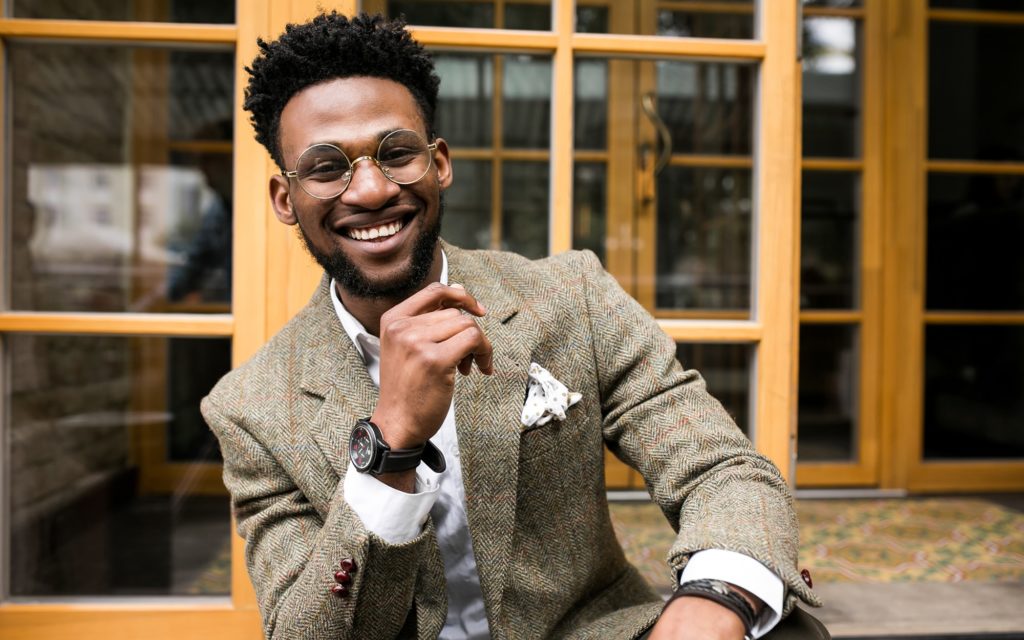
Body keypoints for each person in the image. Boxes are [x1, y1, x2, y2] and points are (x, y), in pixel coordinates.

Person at [201, 12, 825, 640]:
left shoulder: (570, 296)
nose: (368, 190)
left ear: (438, 163)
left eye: (395, 153)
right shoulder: (251, 408)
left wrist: (715, 600)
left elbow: (721, 468)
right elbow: (309, 632)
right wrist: (388, 444)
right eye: (327, 168)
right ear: (286, 198)